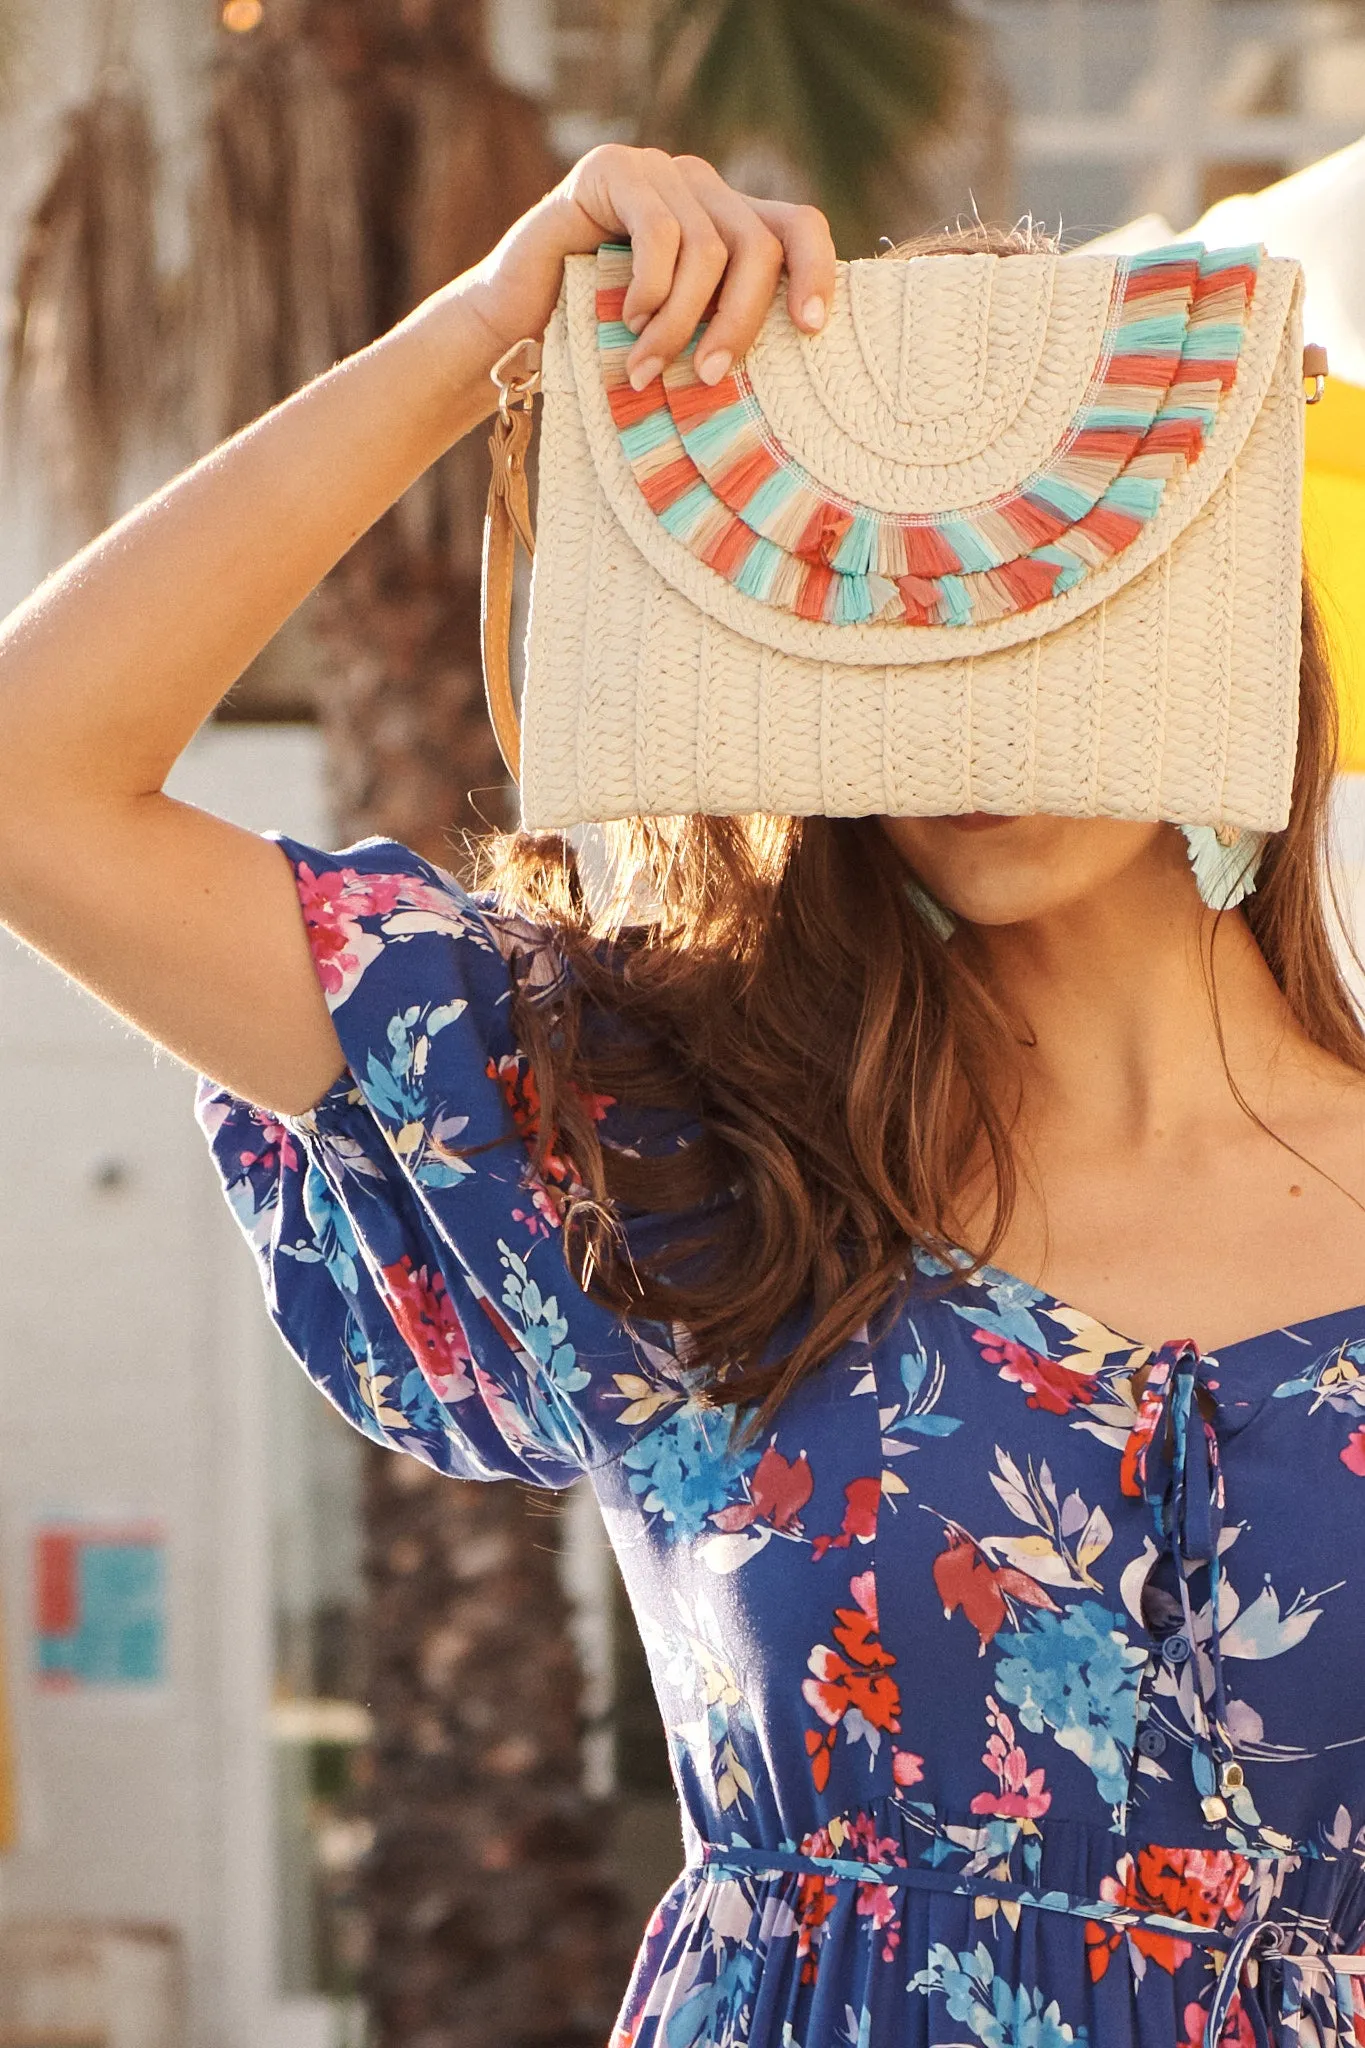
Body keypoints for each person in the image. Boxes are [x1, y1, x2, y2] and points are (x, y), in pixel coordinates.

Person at [2, 143, 1364, 2048]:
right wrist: (484, 327)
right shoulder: (668, 1135)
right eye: (867, 594)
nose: (950, 664)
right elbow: (33, 783)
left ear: (1228, 609)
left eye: (1056, 577)